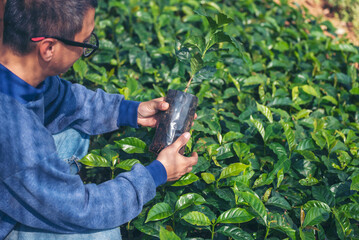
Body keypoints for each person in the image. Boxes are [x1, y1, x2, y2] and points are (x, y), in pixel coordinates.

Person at [0, 0, 198, 239]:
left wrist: (129, 111)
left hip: (21, 166)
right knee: (102, 234)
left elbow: (64, 100)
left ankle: (46, 190)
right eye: (84, 43)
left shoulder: (17, 72)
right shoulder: (15, 130)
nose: (85, 52)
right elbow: (82, 210)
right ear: (48, 48)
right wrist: (157, 173)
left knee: (75, 130)